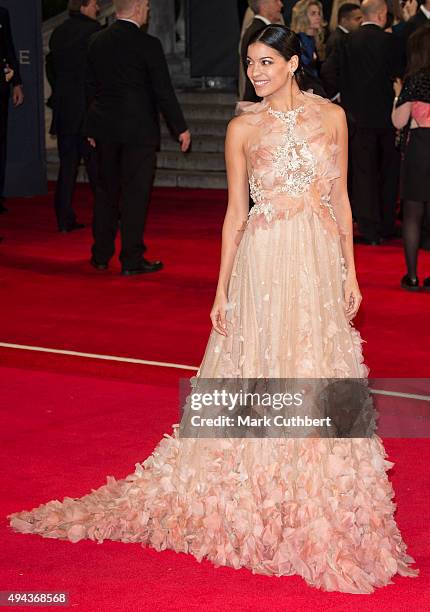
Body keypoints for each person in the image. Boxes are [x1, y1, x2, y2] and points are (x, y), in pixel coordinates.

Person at [8, 23, 418, 594]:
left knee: (318, 366)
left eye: (267, 62)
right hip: (265, 260)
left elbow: (343, 199)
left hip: (318, 261)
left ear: (294, 63)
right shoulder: (241, 127)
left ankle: (317, 490)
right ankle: (254, 485)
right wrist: (222, 289)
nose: (256, 72)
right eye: (250, 62)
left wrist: (350, 270)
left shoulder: (334, 118)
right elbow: (233, 215)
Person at [85, 0, 190, 275]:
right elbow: (163, 91)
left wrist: (91, 128)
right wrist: (180, 127)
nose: (148, 11)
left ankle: (100, 255)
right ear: (137, 9)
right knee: (135, 195)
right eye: (145, 6)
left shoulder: (96, 41)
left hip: (105, 129)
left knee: (105, 192)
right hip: (139, 132)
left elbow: (89, 87)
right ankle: (131, 259)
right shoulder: (148, 44)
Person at [338, 0, 404, 244]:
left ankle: (368, 228)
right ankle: (386, 224)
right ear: (381, 14)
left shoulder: (347, 42)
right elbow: (399, 74)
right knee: (388, 173)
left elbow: (336, 75)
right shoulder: (391, 42)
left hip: (358, 119)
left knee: (363, 174)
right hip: (387, 118)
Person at [46, 0, 102, 234]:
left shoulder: (58, 33)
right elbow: (99, 71)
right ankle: (108, 215)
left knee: (67, 167)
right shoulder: (95, 33)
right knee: (98, 169)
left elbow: (51, 67)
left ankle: (63, 218)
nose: (98, 8)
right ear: (83, 7)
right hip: (88, 111)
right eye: (94, 4)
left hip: (65, 110)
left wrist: (60, 92)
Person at [392, 24, 430, 291]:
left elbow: (398, 120)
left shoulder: (414, 80)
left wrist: (397, 93)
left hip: (420, 147)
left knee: (413, 215)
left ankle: (413, 276)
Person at [0, 6, 24, 216]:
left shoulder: (2, 12)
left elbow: (8, 46)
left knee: (1, 142)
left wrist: (16, 83)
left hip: (2, 88)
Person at [240, 0, 284, 101]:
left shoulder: (257, 29)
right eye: (276, 0)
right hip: (262, 100)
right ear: (263, 4)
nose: (281, 4)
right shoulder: (260, 33)